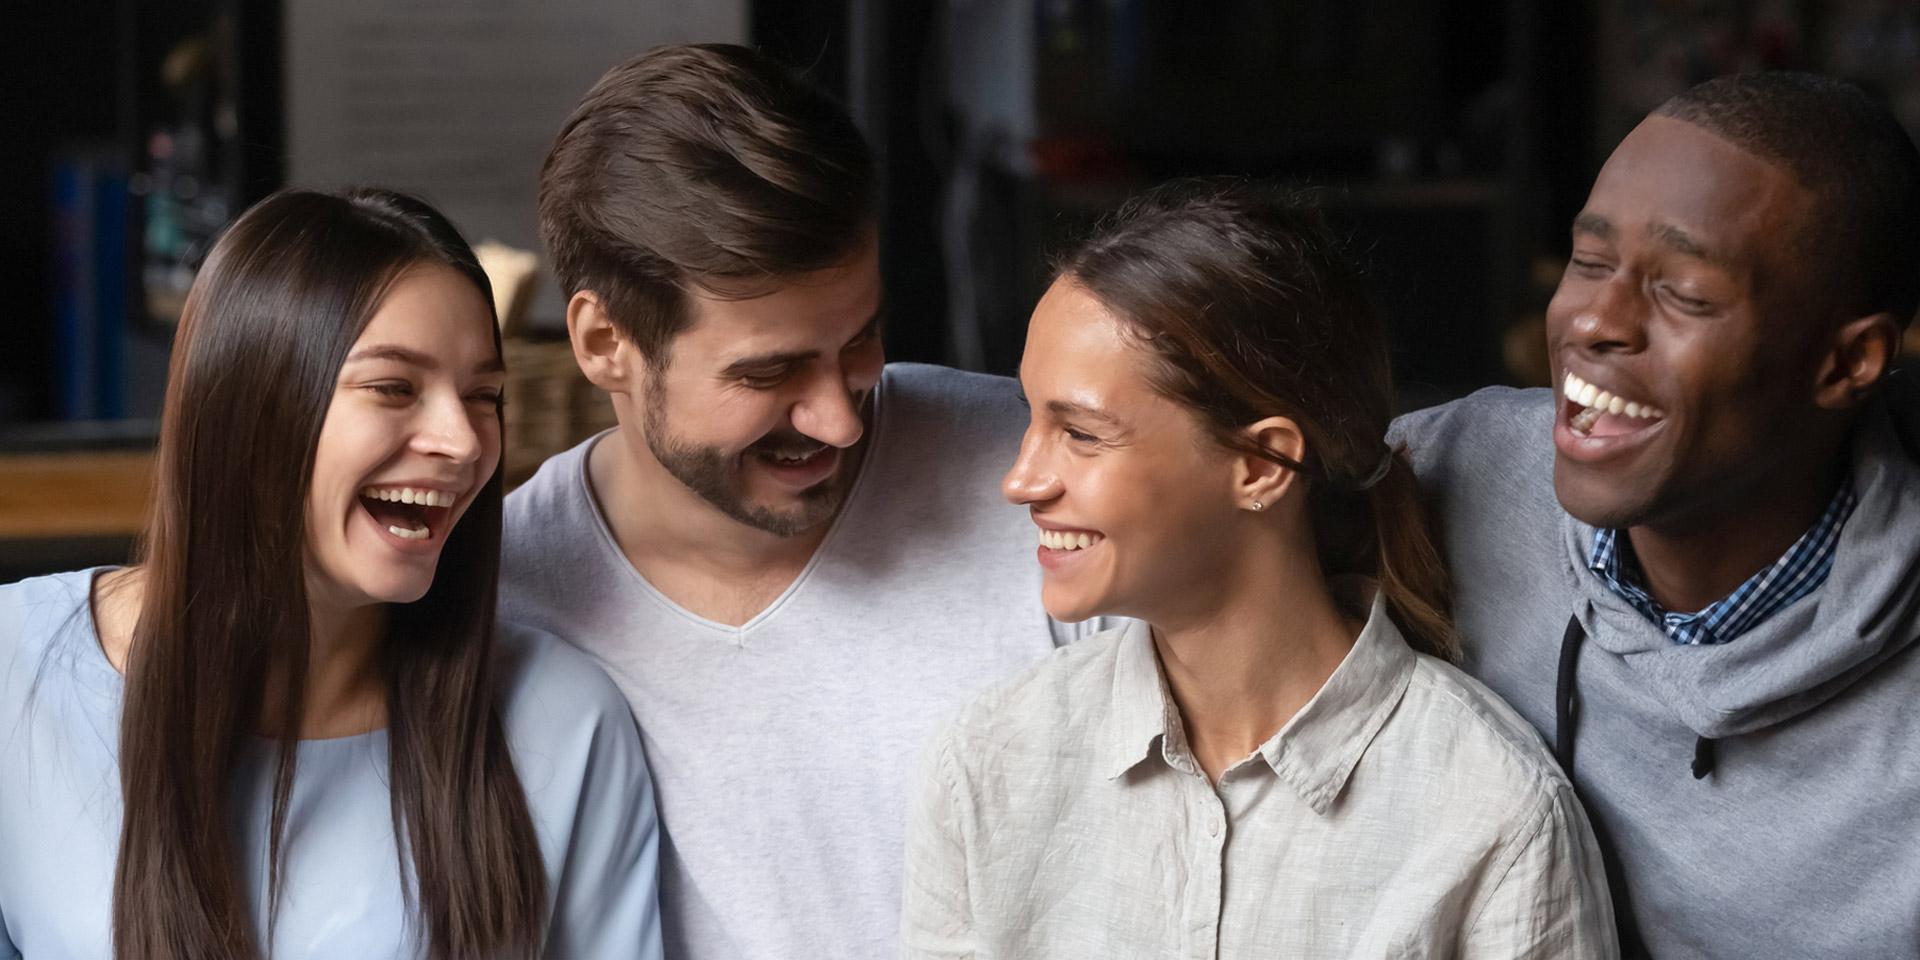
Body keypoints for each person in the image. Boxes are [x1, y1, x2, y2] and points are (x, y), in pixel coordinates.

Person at [900, 182, 1617, 959]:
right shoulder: (988, 762)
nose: (1022, 480)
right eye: (1031, 421)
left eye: (1078, 433)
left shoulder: (1492, 813)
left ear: (1261, 464)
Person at [502, 44, 1095, 960]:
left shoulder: (1043, 473)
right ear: (604, 342)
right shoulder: (501, 598)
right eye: (768, 372)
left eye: (859, 343)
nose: (838, 420)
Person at [0, 188, 662, 960]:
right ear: (251, 404)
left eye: (484, 396)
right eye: (393, 387)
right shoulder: (15, 667)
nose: (463, 440)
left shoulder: (565, 723)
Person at [1391, 72, 1920, 957]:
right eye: (1589, 262)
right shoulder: (1451, 475)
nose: (1594, 319)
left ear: (1846, 363)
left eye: (1684, 293)